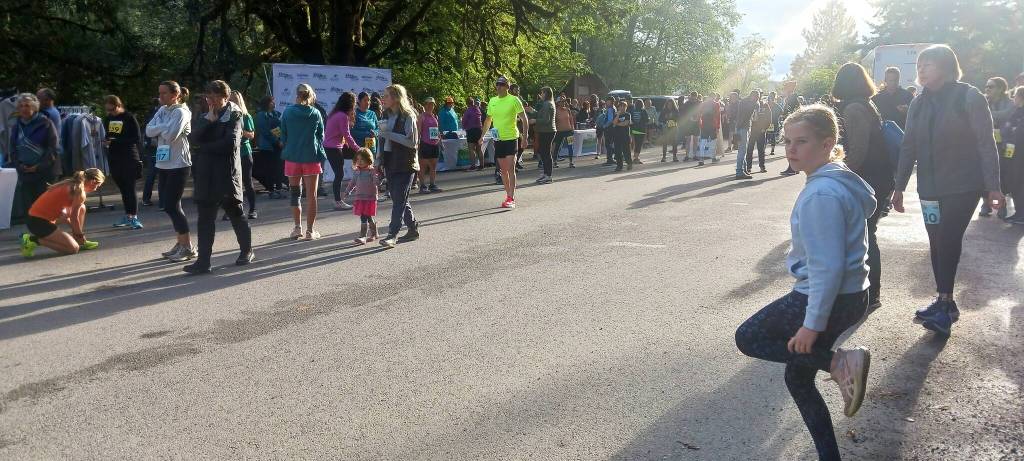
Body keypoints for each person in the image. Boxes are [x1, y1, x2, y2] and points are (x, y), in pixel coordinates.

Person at [736, 104, 875, 461]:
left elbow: (826, 267)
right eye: (787, 141)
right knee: (798, 380)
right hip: (851, 295)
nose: (791, 150)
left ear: (828, 143)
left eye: (802, 141)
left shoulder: (821, 195)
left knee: (749, 336)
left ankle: (839, 363)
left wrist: (811, 326)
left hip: (828, 294)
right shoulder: (837, 178)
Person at [892, 44, 1002, 336]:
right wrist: (899, 186)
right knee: (936, 241)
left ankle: (944, 303)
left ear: (946, 66)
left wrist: (994, 187)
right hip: (929, 186)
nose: (922, 70)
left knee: (948, 237)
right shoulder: (918, 102)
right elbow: (908, 146)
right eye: (919, 65)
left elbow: (986, 144)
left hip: (963, 185)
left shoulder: (969, 96)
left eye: (928, 64)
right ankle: (945, 303)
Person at [832, 62, 896, 312]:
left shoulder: (854, 108)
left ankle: (869, 294)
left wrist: (837, 173)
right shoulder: (868, 105)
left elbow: (858, 151)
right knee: (867, 235)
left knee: (865, 236)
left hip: (866, 179)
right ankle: (868, 293)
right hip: (878, 177)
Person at [182, 80, 254, 274]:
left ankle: (246, 251)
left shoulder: (235, 115)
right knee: (204, 218)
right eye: (208, 96)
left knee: (235, 213)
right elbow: (193, 139)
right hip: (206, 174)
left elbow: (230, 144)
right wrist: (209, 122)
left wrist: (203, 148)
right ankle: (203, 262)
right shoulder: (206, 115)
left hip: (226, 174)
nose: (210, 100)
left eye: (214, 97)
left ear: (225, 96)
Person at [146, 81, 195, 261]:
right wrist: (162, 128)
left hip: (179, 164)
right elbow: (148, 131)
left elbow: (171, 135)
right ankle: (181, 242)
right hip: (163, 163)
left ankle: (187, 246)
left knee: (172, 205)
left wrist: (161, 129)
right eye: (159, 93)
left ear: (175, 95)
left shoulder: (181, 112)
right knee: (169, 205)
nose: (161, 97)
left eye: (164, 93)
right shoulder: (162, 110)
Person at [19, 169, 105, 257]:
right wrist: (79, 235)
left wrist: (77, 234)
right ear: (92, 181)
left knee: (81, 208)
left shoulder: (72, 184)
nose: (96, 189)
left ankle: (78, 240)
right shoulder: (79, 192)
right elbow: (74, 217)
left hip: (36, 218)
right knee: (73, 249)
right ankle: (32, 240)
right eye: (98, 185)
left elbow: (68, 216)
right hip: (38, 222)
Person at [280, 83, 327, 240]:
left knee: (295, 194)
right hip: (311, 157)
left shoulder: (287, 112)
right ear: (310, 95)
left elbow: (283, 135)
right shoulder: (315, 113)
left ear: (297, 95)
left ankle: (297, 228)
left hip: (292, 157)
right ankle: (310, 231)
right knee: (311, 195)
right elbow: (321, 135)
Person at [378, 83, 421, 247]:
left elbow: (412, 143)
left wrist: (389, 134)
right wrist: (378, 159)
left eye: (387, 96)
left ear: (396, 98)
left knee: (398, 200)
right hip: (390, 161)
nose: (384, 99)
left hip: (406, 163)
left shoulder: (408, 115)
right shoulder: (387, 115)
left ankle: (392, 234)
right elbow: (383, 139)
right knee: (399, 198)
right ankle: (412, 228)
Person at [481, 76, 529, 208]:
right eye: (497, 84)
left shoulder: (514, 100)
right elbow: (488, 120)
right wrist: (482, 136)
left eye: (502, 84)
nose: (499, 87)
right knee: (503, 170)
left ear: (507, 87)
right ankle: (508, 194)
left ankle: (511, 197)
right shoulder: (492, 101)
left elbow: (524, 119)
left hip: (511, 138)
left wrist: (525, 138)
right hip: (498, 139)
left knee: (510, 168)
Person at [10, 93, 60, 218]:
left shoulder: (46, 123)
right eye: (21, 106)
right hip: (25, 173)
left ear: (34, 107)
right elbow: (13, 150)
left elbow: (53, 148)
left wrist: (39, 166)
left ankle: (48, 235)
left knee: (45, 209)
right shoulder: (16, 127)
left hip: (44, 173)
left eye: (27, 105)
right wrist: (19, 166)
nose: (23, 109)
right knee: (30, 210)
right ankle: (34, 235)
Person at [103, 95, 144, 229]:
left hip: (129, 156)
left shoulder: (129, 117)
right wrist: (105, 140)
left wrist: (116, 141)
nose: (111, 113)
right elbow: (107, 136)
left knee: (130, 187)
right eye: (108, 110)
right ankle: (128, 215)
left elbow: (136, 138)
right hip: (114, 157)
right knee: (122, 188)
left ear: (119, 106)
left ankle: (134, 217)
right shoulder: (108, 119)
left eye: (113, 109)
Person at [980, 77, 1015, 218]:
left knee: (1002, 175)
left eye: (991, 86)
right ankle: (986, 203)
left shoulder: (1010, 103)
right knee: (984, 174)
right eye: (986, 86)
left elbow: (1005, 116)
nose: (987, 89)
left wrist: (984, 114)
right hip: (986, 144)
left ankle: (1001, 204)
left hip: (1005, 145)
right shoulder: (983, 102)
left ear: (1001, 88)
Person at [324, 92, 359, 210]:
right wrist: (359, 149)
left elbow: (342, 135)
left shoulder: (334, 114)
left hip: (333, 147)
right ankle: (338, 201)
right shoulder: (342, 116)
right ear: (349, 104)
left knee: (339, 173)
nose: (355, 106)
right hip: (334, 148)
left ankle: (359, 183)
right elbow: (347, 135)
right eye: (354, 103)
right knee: (339, 174)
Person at [227, 91, 258, 220]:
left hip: (244, 152)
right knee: (231, 183)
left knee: (247, 181)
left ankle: (252, 209)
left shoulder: (246, 116)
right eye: (230, 100)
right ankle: (232, 209)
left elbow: (251, 135)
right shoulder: (226, 115)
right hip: (230, 153)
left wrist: (239, 131)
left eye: (234, 100)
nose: (231, 102)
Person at [253, 96, 285, 199]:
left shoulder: (276, 114)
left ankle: (279, 189)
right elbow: (265, 131)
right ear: (266, 103)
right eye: (272, 102)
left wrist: (281, 140)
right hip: (267, 147)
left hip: (278, 145)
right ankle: (271, 190)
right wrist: (276, 141)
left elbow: (281, 128)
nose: (274, 103)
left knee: (279, 168)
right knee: (270, 169)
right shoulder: (261, 115)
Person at [348, 147, 380, 244]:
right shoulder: (357, 171)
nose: (360, 162)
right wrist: (347, 191)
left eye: (362, 159)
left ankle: (363, 236)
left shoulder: (372, 171)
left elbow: (376, 182)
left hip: (370, 197)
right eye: (358, 159)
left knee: (365, 215)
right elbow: (352, 182)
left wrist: (377, 179)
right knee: (366, 215)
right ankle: (374, 233)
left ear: (368, 159)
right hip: (360, 197)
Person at [1005, 87, 1024, 223]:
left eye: (1016, 95)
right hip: (1014, 152)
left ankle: (1022, 214)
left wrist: (1011, 130)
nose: (1013, 98)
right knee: (1015, 182)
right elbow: (1007, 128)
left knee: (1019, 183)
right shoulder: (1017, 112)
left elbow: (1018, 133)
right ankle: (1019, 212)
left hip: (1020, 154)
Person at [417, 97, 443, 193]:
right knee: (423, 166)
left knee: (433, 165)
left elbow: (437, 130)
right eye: (428, 104)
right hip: (425, 143)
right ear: (425, 105)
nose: (430, 106)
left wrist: (440, 142)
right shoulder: (421, 116)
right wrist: (417, 144)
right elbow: (418, 131)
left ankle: (432, 184)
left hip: (434, 144)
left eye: (432, 104)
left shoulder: (434, 116)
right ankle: (422, 186)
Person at [533, 87, 556, 184]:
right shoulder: (547, 103)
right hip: (546, 131)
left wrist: (535, 120)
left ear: (546, 93)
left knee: (546, 153)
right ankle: (546, 174)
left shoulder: (547, 104)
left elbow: (546, 120)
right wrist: (533, 111)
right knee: (544, 153)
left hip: (547, 131)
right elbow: (542, 115)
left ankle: (548, 176)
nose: (540, 94)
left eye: (542, 93)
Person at [734, 90, 758, 178]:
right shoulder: (752, 104)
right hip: (744, 128)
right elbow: (755, 118)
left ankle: (743, 169)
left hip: (738, 127)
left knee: (741, 150)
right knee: (742, 150)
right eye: (757, 97)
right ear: (754, 96)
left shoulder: (742, 102)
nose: (757, 99)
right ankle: (739, 171)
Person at [747, 97, 773, 174]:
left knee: (761, 150)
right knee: (749, 149)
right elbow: (748, 117)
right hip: (752, 131)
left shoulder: (765, 106)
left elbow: (769, 118)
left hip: (761, 131)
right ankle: (748, 167)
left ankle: (762, 166)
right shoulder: (752, 105)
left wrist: (765, 128)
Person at [553, 98, 576, 169]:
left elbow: (571, 119)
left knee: (570, 146)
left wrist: (572, 128)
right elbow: (554, 121)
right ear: (558, 103)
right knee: (557, 147)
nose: (563, 102)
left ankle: (571, 162)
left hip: (569, 131)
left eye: (564, 101)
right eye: (562, 101)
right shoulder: (555, 111)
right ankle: (554, 162)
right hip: (559, 132)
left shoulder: (567, 110)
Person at [697, 96, 720, 167]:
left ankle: (701, 159)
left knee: (703, 142)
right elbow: (717, 116)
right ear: (713, 97)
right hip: (713, 125)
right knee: (713, 142)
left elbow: (699, 114)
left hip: (704, 125)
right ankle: (713, 158)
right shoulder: (716, 104)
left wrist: (700, 124)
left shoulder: (703, 104)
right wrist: (717, 127)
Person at [462, 96, 485, 170]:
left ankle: (473, 166)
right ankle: (482, 165)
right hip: (479, 130)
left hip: (471, 131)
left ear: (467, 103)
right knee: (479, 149)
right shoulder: (478, 109)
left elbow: (464, 121)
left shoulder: (468, 111)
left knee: (471, 149)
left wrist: (464, 127)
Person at [612, 99, 633, 171]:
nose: (623, 108)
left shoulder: (628, 114)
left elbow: (625, 123)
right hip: (617, 136)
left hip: (625, 136)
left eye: (624, 106)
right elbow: (613, 123)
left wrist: (617, 124)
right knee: (617, 151)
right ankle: (619, 166)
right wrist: (618, 115)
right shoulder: (615, 114)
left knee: (626, 151)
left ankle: (629, 163)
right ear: (618, 107)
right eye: (621, 106)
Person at [630, 99, 649, 165]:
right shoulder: (643, 111)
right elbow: (647, 120)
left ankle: (635, 157)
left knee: (635, 144)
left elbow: (631, 120)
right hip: (641, 130)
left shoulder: (633, 111)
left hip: (634, 129)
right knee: (639, 144)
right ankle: (636, 158)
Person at [601, 96, 617, 165]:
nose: (606, 102)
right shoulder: (614, 108)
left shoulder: (610, 109)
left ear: (610, 101)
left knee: (608, 144)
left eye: (607, 101)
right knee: (611, 144)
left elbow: (610, 120)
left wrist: (604, 126)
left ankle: (610, 160)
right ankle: (613, 158)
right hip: (612, 128)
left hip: (609, 129)